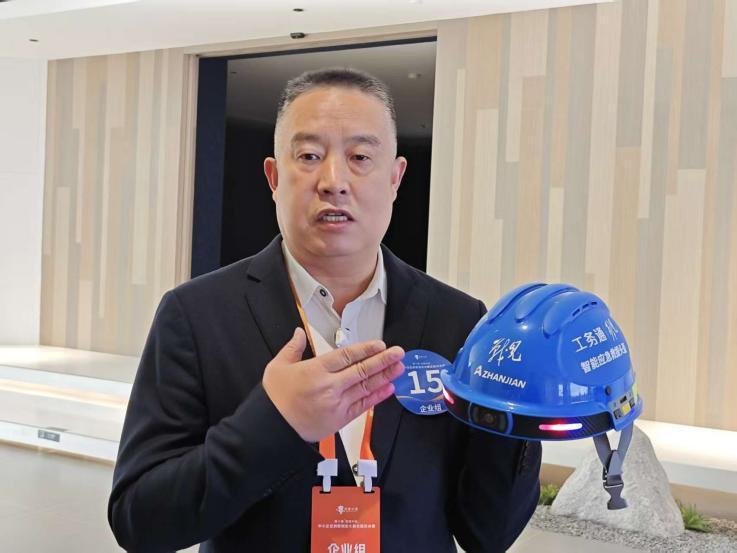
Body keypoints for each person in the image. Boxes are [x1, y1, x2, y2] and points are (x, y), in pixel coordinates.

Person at [108, 67, 541, 553]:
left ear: (395, 178)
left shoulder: (457, 320)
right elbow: (140, 521)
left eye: (360, 157)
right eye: (310, 156)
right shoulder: (196, 315)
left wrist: (518, 410)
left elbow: (488, 533)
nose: (334, 181)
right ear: (274, 177)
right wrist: (273, 423)